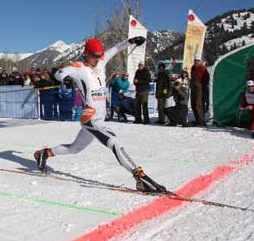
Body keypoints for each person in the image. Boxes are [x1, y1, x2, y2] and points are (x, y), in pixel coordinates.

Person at [33, 37, 167, 193]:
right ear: (86, 54)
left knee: (75, 148)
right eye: (94, 55)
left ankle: (45, 153)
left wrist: (132, 41)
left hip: (100, 117)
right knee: (114, 142)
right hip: (90, 116)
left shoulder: (101, 61)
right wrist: (67, 79)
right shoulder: (78, 67)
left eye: (99, 55)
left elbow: (117, 47)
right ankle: (139, 177)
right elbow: (59, 73)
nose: (98, 58)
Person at [190, 55, 209, 126]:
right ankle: (197, 119)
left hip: (200, 88)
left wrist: (203, 87)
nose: (196, 62)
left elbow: (206, 78)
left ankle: (201, 121)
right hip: (193, 88)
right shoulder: (192, 68)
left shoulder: (202, 68)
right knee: (193, 104)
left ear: (200, 61)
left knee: (199, 104)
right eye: (195, 60)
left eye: (197, 61)